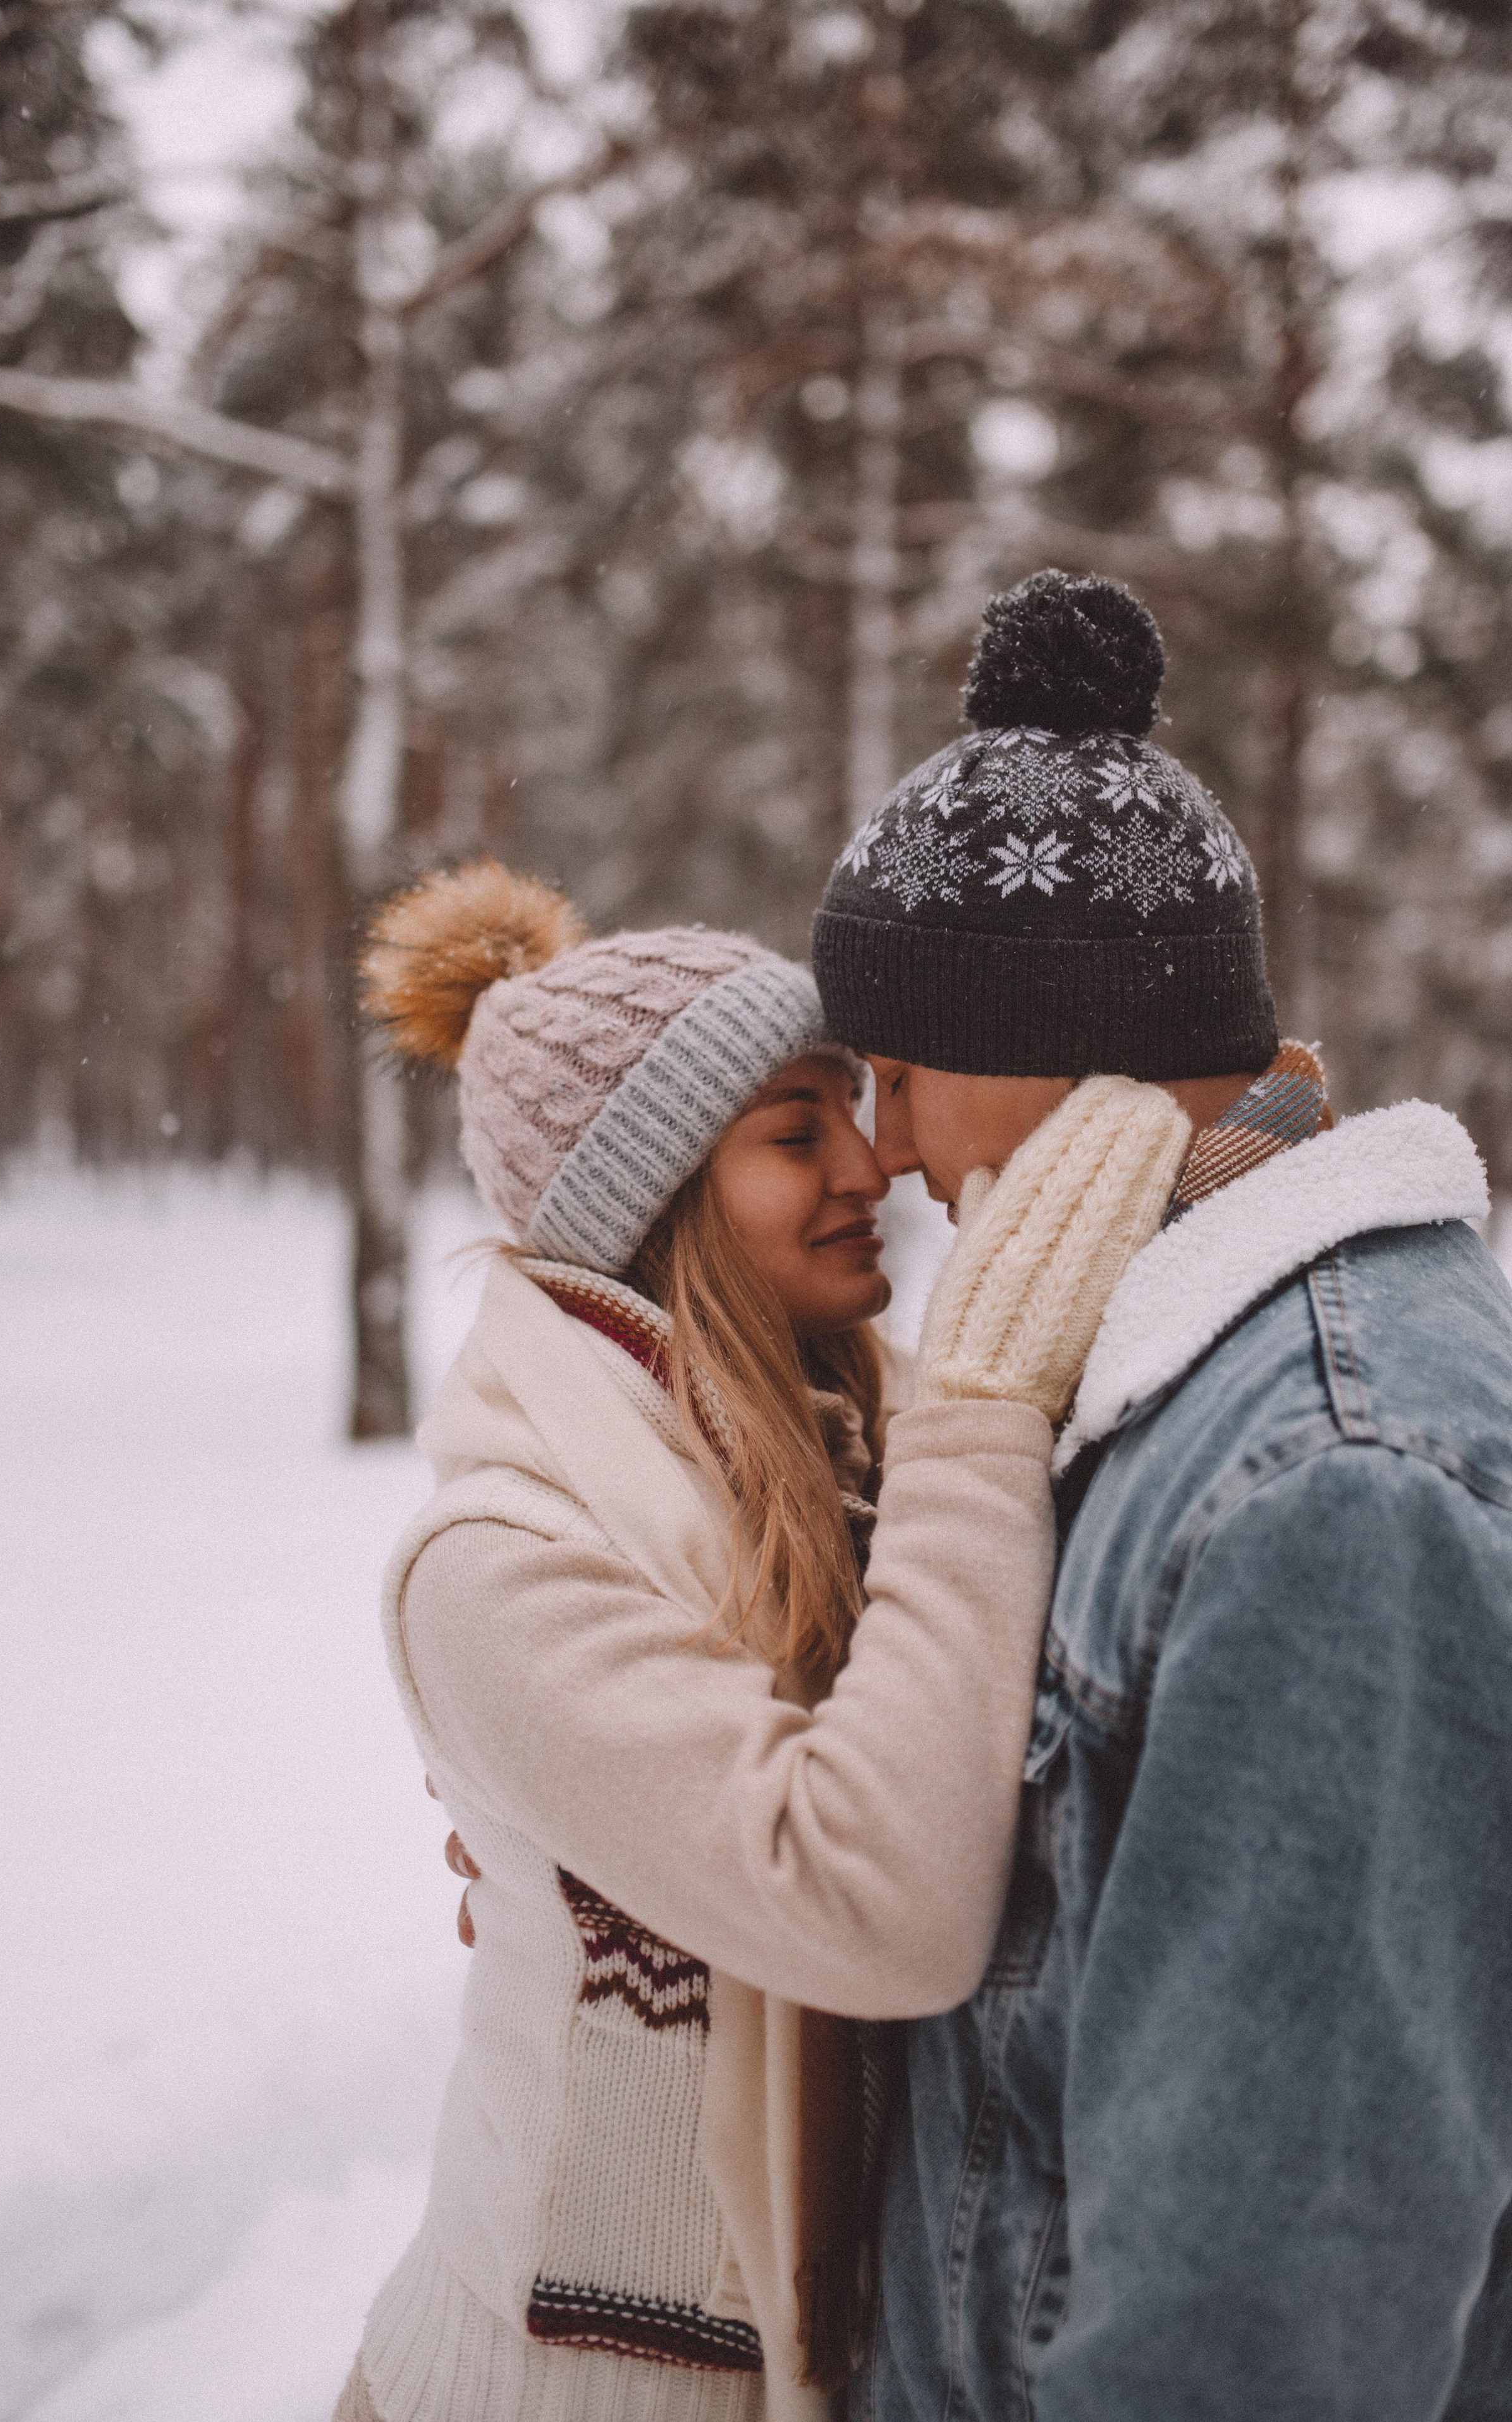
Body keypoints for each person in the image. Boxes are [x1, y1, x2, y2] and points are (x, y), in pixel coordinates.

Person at [330, 859, 1188, 2422]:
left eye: (855, 1110)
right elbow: (871, 1901)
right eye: (797, 1132)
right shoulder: (498, 1567)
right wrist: (985, 1429)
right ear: (654, 1204)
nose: (870, 1163)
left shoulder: (860, 1448)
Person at [811, 567, 1512, 2421]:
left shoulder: (1332, 1499)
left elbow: (1256, 2334)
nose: (880, 1148)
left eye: (895, 1074)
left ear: (1048, 1057)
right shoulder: (1167, 1377)